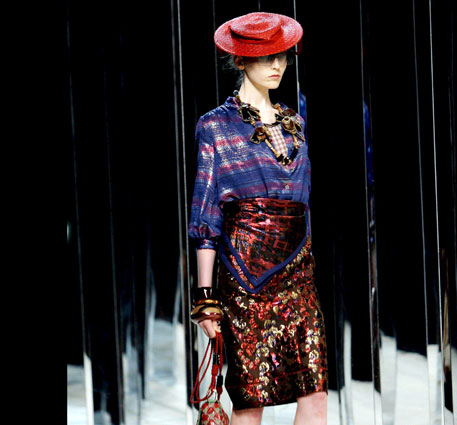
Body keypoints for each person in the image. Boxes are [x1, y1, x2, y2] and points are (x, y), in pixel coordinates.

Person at [188, 12, 329, 425]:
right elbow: (206, 212)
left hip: (298, 273)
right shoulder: (215, 126)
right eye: (266, 57)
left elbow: (303, 202)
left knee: (316, 390)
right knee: (251, 398)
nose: (277, 65)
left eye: (282, 56)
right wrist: (206, 298)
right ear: (240, 60)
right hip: (245, 278)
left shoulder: (296, 123)